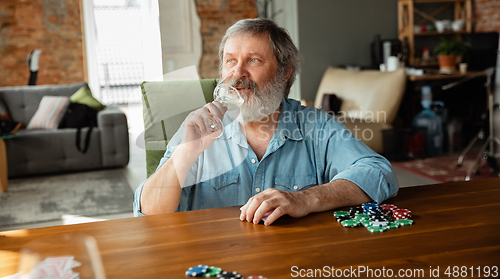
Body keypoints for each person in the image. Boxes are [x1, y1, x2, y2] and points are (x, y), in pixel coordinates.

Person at [134, 18, 399, 225]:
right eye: (230, 61)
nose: (238, 73)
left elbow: (379, 173)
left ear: (284, 72)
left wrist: (305, 198)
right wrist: (185, 153)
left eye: (253, 60)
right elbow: (148, 213)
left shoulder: (315, 125)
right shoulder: (196, 128)